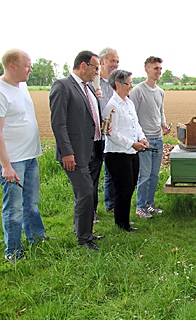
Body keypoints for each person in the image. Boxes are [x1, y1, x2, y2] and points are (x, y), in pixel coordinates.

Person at [50, 50, 104, 251]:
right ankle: (83, 238)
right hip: (74, 153)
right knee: (85, 193)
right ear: (83, 65)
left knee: (89, 193)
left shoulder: (88, 88)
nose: (97, 72)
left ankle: (86, 231)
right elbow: (58, 122)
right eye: (95, 67)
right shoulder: (63, 86)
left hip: (92, 150)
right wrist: (67, 152)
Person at [0, 49, 47, 262]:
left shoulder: (23, 86)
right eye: (27, 65)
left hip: (30, 156)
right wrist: (6, 165)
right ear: (13, 66)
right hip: (14, 160)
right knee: (14, 207)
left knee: (31, 202)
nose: (31, 69)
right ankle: (13, 251)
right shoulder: (1, 91)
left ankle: (36, 237)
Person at [103, 69, 148, 231]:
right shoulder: (112, 106)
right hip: (117, 153)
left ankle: (125, 221)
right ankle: (122, 224)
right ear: (118, 84)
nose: (131, 86)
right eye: (128, 83)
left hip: (131, 152)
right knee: (123, 188)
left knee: (130, 187)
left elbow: (136, 125)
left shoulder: (129, 103)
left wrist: (141, 138)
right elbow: (111, 133)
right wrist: (132, 143)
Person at [129, 56, 170, 219]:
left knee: (154, 175)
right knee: (144, 175)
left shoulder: (160, 92)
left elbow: (160, 112)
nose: (159, 71)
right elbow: (132, 115)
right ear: (146, 69)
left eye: (160, 68)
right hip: (144, 140)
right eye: (155, 68)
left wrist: (164, 125)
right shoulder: (138, 91)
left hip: (158, 138)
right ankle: (140, 207)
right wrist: (138, 138)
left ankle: (149, 204)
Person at [98, 47, 119, 216]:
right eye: (112, 61)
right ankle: (90, 212)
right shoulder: (94, 83)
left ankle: (110, 203)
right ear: (102, 61)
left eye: (117, 61)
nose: (115, 64)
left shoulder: (115, 84)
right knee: (93, 174)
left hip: (114, 134)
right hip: (97, 136)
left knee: (112, 171)